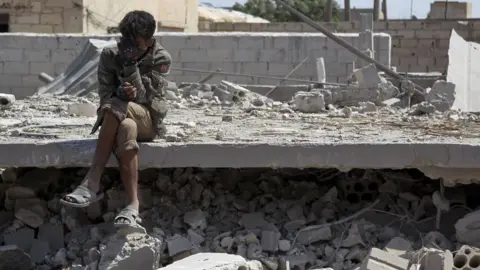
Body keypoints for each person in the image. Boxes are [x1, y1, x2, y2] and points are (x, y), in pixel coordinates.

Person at [60, 10, 172, 228]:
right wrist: (120, 92)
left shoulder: (160, 58)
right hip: (119, 116)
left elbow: (147, 97)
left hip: (148, 119)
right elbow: (104, 97)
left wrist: (130, 66)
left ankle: (91, 182)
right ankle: (132, 206)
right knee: (126, 125)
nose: (128, 47)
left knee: (117, 107)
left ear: (149, 40)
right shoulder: (110, 55)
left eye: (136, 43)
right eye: (125, 41)